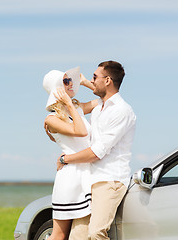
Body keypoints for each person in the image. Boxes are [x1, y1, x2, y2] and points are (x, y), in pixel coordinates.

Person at [57, 61, 136, 240]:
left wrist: (65, 159)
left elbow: (97, 152)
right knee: (77, 237)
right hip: (89, 179)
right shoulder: (99, 106)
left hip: (109, 180)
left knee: (96, 233)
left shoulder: (121, 111)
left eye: (94, 77)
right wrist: (81, 82)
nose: (91, 80)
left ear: (107, 80)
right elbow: (72, 110)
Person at [43, 66, 97, 240]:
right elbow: (81, 131)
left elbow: (107, 100)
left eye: (71, 80)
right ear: (57, 87)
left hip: (88, 173)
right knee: (59, 235)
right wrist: (68, 104)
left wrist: (87, 83)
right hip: (70, 178)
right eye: (66, 81)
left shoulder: (77, 107)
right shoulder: (51, 119)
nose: (71, 84)